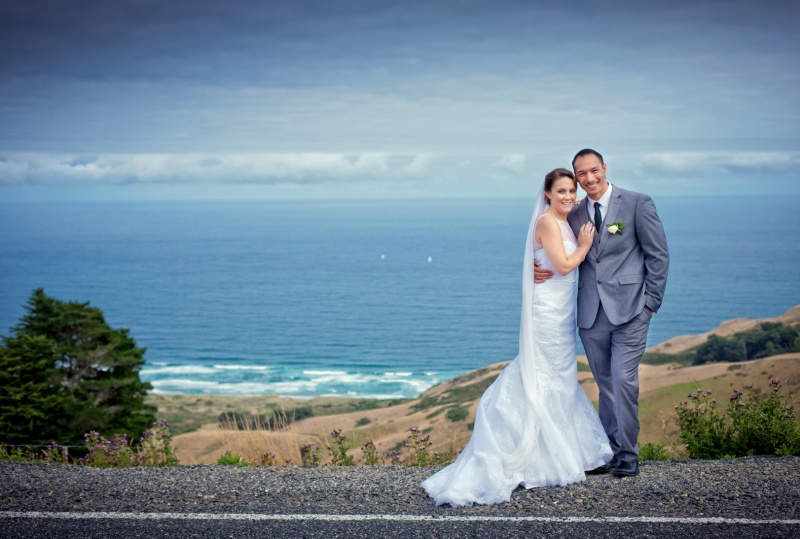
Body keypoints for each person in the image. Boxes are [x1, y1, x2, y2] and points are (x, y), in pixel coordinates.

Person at [420, 169, 613, 507]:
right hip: (547, 314)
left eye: (572, 190)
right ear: (547, 193)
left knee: (561, 376)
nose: (568, 196)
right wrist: (584, 245)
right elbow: (565, 266)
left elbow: (550, 257)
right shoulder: (547, 222)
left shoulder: (565, 217)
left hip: (562, 311)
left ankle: (561, 451)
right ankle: (525, 448)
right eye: (561, 191)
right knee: (541, 372)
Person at [535, 149, 669, 477]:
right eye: (581, 174)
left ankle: (628, 454)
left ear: (604, 168)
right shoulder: (575, 212)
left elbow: (658, 256)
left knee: (623, 380)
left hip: (632, 310)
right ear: (576, 178)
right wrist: (533, 264)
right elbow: (546, 237)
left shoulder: (638, 203)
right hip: (590, 315)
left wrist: (651, 304)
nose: (589, 178)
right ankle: (608, 449)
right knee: (605, 382)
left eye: (594, 170)